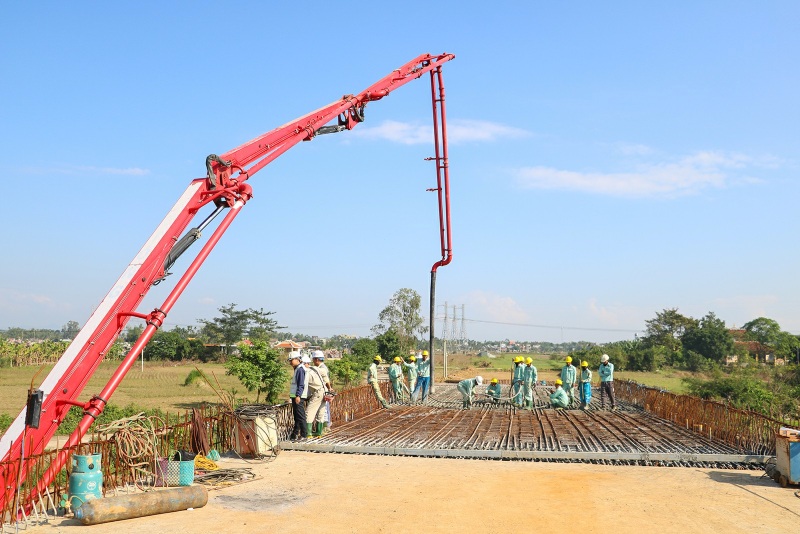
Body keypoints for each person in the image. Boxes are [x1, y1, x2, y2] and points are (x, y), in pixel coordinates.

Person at [288, 352, 309, 441]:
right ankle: (295, 433)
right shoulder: (297, 369)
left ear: (297, 359)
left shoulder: (300, 370)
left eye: (291, 360)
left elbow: (301, 384)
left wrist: (298, 396)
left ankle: (304, 434)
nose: (290, 362)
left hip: (298, 397)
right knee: (297, 415)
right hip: (295, 396)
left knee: (300, 415)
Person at [303, 355, 325, 438]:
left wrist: (305, 396)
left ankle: (308, 433)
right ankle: (319, 432)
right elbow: (325, 375)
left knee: (309, 412)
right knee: (321, 412)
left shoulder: (307, 372)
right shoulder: (315, 368)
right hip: (324, 391)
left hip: (317, 392)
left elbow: (305, 386)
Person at [311, 351, 332, 436]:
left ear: (316, 359)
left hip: (324, 391)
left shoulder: (322, 368)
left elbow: (326, 380)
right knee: (324, 409)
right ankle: (325, 427)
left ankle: (325, 427)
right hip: (324, 390)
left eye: (313, 359)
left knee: (324, 410)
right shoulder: (322, 367)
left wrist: (329, 388)